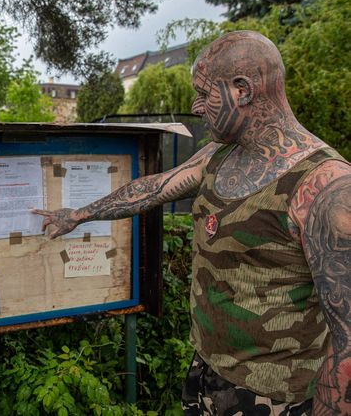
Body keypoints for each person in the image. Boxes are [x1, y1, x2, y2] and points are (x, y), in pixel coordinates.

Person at [33, 30, 351, 415]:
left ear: (242, 90)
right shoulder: (219, 154)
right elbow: (154, 188)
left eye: (204, 93)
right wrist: (79, 215)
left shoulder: (326, 187)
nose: (196, 107)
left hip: (275, 397)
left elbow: (347, 335)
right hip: (207, 372)